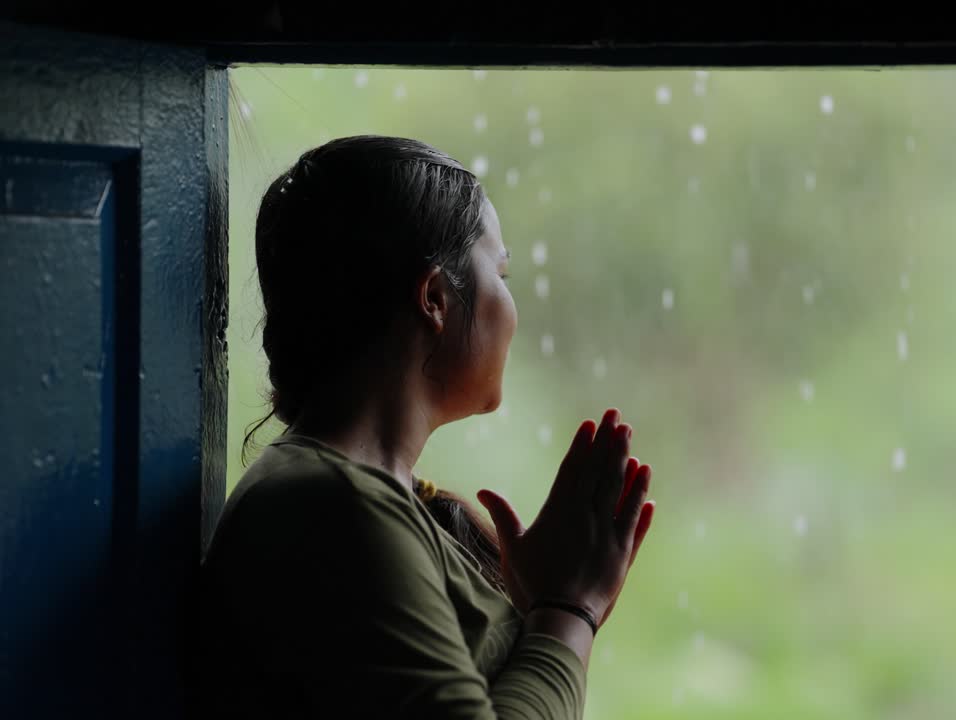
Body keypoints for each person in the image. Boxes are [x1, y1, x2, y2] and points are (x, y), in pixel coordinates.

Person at [197, 135, 656, 719]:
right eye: (502, 273)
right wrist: (569, 611)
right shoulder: (337, 510)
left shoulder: (341, 495)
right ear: (435, 297)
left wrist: (538, 603)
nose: (512, 308)